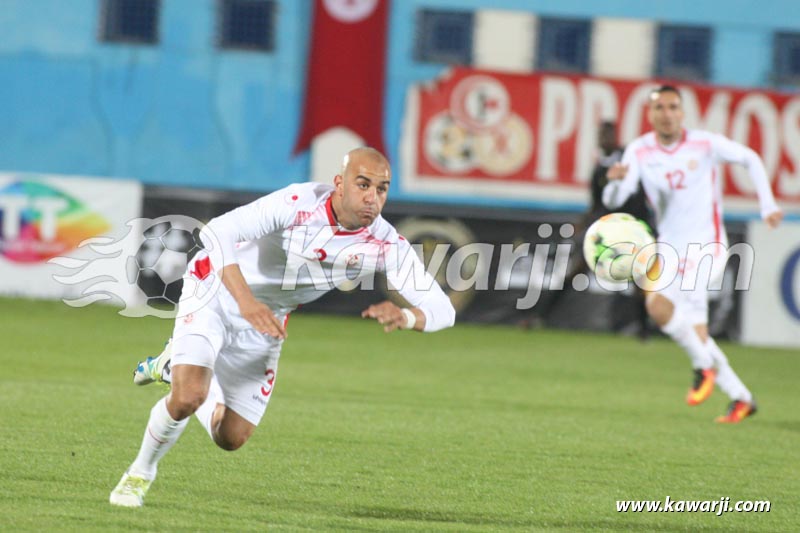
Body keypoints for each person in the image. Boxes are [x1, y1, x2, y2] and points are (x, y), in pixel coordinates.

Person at [110, 147, 456, 507]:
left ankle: (172, 365)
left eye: (382, 189)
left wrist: (407, 317)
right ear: (339, 183)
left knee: (231, 437)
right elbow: (217, 232)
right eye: (363, 184)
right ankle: (139, 474)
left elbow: (442, 310)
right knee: (186, 397)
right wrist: (245, 301)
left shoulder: (385, 244)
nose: (372, 197)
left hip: (266, 320)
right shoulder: (299, 202)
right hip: (214, 289)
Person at [603, 85, 783, 423]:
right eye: (660, 108)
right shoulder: (639, 151)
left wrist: (767, 203)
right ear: (650, 114)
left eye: (673, 107)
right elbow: (616, 198)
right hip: (670, 248)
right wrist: (612, 183)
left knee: (666, 309)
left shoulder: (705, 143)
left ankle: (703, 369)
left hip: (707, 246)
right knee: (679, 322)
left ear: (682, 112)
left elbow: (750, 158)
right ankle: (741, 397)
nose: (667, 114)